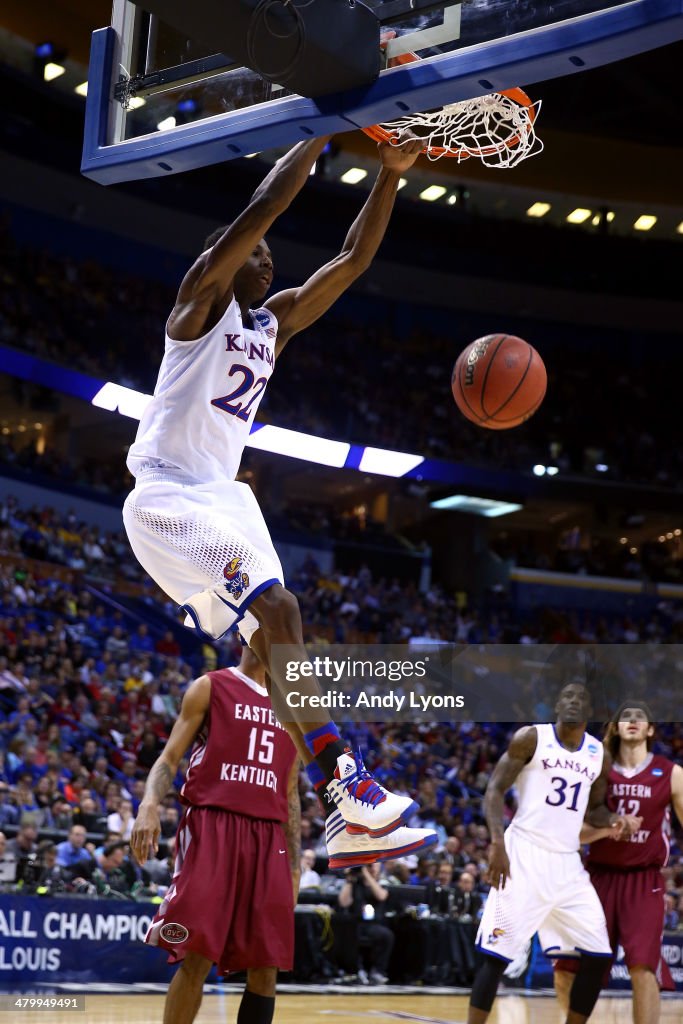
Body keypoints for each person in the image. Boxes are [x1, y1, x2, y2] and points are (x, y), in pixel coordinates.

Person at [122, 131, 429, 859]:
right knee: (280, 606)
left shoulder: (273, 325)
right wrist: (316, 130)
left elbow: (351, 262)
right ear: (225, 259)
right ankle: (346, 782)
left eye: (268, 256)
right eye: (254, 253)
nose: (267, 259)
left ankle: (343, 806)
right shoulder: (197, 307)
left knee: (278, 649)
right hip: (166, 499)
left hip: (222, 499)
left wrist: (389, 176)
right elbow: (261, 207)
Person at [131, 646, 300, 1024]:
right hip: (214, 826)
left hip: (268, 836)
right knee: (197, 955)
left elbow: (290, 794)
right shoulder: (210, 686)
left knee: (265, 964)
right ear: (245, 629)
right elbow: (169, 758)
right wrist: (149, 805)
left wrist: (293, 862)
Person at [466, 682, 641, 1024]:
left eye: (581, 698)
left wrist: (615, 819)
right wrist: (497, 843)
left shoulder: (597, 754)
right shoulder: (531, 738)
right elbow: (494, 790)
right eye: (567, 696)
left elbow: (594, 811)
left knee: (598, 953)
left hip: (567, 865)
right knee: (496, 956)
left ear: (589, 712)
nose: (574, 701)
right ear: (557, 705)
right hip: (523, 854)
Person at [554, 701, 683, 1024]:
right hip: (596, 878)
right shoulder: (596, 770)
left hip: (644, 880)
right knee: (568, 967)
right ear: (616, 727)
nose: (633, 720)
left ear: (651, 730)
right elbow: (576, 834)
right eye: (626, 716)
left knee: (643, 967)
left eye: (641, 717)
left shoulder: (672, 774)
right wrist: (610, 827)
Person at [338, 863, 394, 985]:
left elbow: (381, 896)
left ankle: (378, 971)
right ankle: (356, 970)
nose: (371, 868)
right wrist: (349, 880)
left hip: (375, 924)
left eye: (373, 865)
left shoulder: (383, 882)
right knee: (347, 932)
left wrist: (366, 874)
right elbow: (343, 902)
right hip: (356, 923)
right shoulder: (355, 883)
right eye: (368, 865)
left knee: (386, 935)